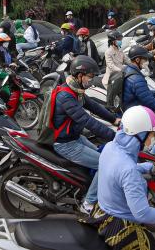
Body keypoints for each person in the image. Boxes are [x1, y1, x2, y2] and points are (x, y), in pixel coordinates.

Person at [87, 105, 155, 250]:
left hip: (102, 212)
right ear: (139, 134)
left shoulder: (111, 147)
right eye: (151, 134)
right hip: (119, 226)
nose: (153, 138)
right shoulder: (129, 171)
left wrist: (144, 166)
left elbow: (117, 172)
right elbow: (143, 213)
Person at [52, 56, 120, 213]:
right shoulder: (66, 96)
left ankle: (90, 185)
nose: (91, 80)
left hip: (75, 138)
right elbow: (87, 120)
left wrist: (114, 119)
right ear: (79, 75)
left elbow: (94, 106)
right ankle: (87, 204)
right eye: (90, 77)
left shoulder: (76, 90)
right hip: (65, 144)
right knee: (105, 164)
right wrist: (114, 136)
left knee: (101, 155)